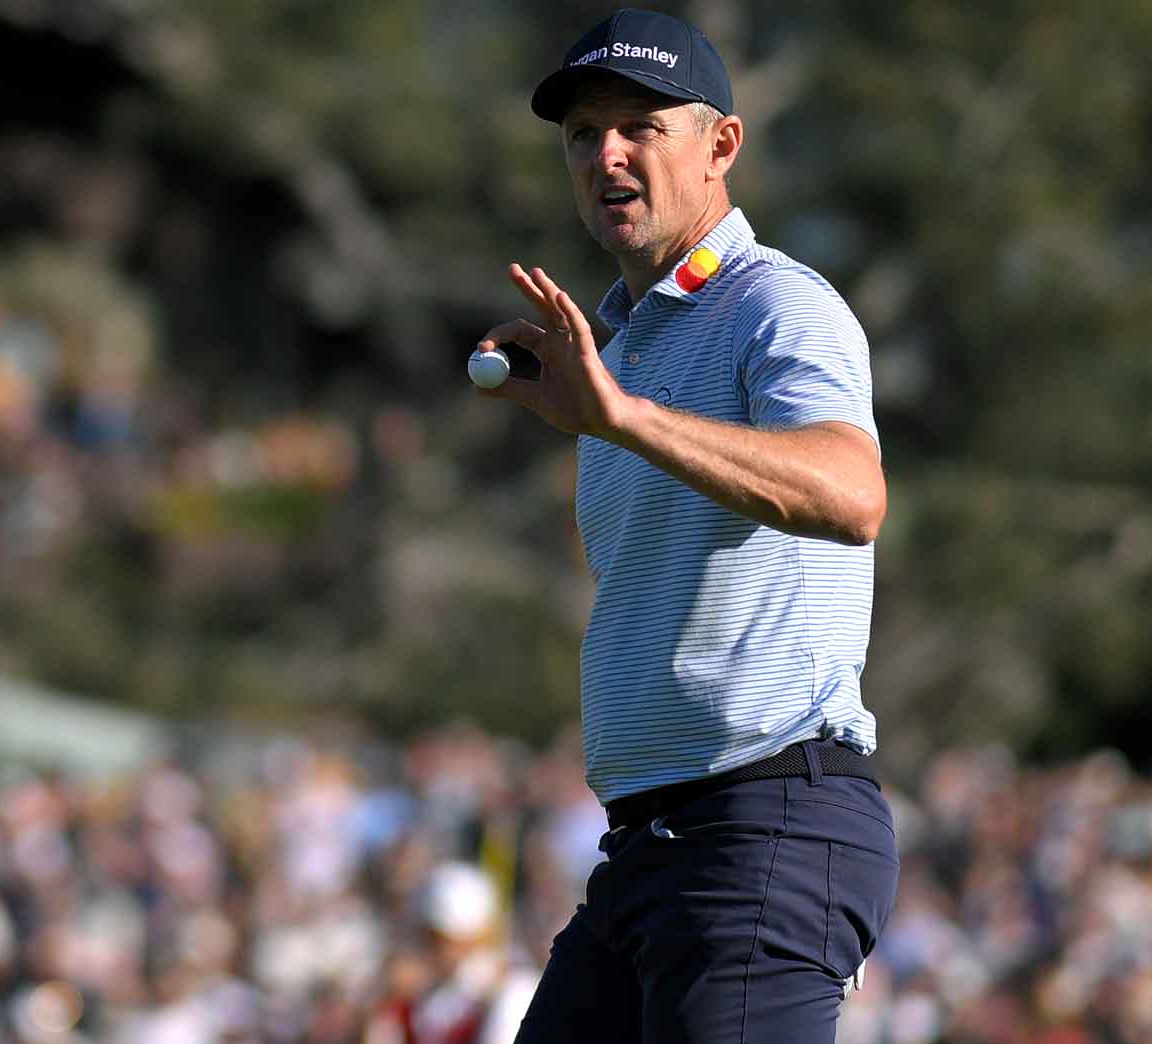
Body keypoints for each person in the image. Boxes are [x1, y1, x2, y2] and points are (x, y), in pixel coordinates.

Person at [471, 9, 898, 1042]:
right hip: (651, 847)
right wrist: (607, 407)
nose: (604, 154)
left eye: (639, 126)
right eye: (581, 135)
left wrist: (622, 419)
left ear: (720, 146)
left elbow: (852, 496)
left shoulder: (776, 307)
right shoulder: (615, 357)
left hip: (767, 827)